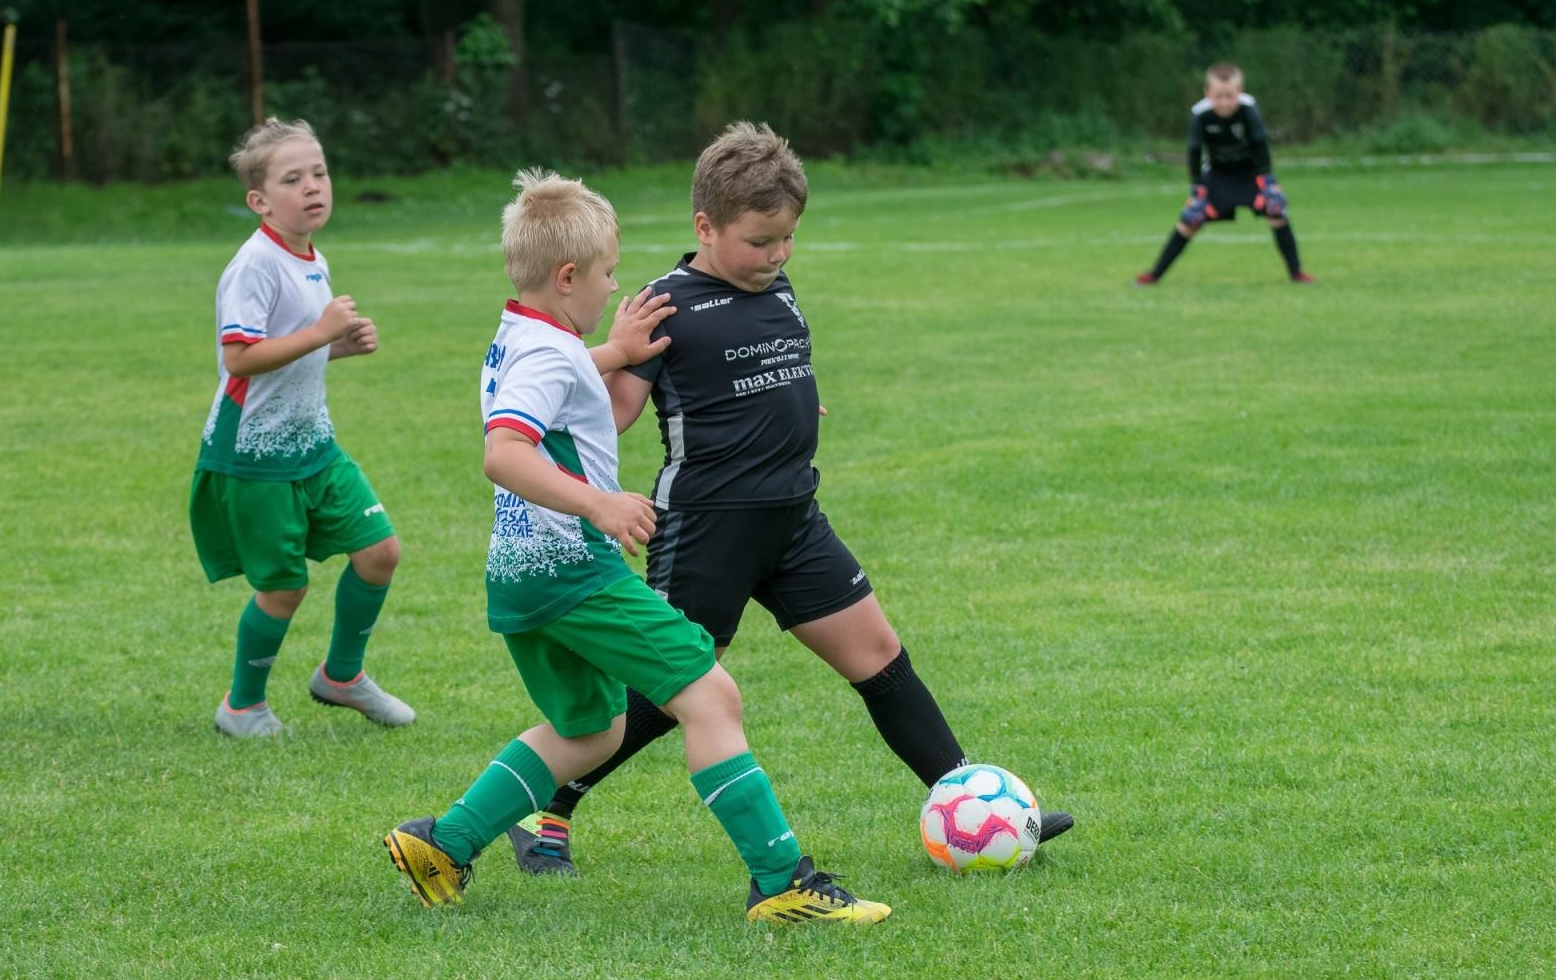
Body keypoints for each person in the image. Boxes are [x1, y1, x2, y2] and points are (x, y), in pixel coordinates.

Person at [504, 122, 1074, 876]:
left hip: (794, 517)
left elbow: (768, 364)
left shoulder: (776, 287)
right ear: (705, 228)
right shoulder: (664, 304)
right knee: (672, 686)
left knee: (879, 657)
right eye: (759, 241)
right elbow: (611, 414)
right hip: (709, 526)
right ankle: (545, 808)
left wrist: (791, 402)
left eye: (787, 239)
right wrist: (609, 354)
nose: (776, 255)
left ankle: (973, 804)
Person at [383, 169, 890, 925]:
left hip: (522, 575)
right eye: (607, 273)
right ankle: (782, 881)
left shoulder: (525, 337)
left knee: (592, 731)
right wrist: (600, 502)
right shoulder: (547, 355)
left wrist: (614, 351)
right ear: (567, 278)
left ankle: (443, 844)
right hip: (572, 572)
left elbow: (556, 379)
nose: (615, 284)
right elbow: (503, 453)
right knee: (711, 696)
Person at [190, 118, 414, 738]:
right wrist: (321, 332)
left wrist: (336, 348)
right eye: (292, 179)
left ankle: (342, 676)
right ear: (258, 201)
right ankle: (242, 707)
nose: (313, 186)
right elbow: (240, 358)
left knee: (380, 551)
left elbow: (287, 352)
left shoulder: (313, 257)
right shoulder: (255, 265)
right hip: (255, 455)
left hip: (314, 444)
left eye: (319, 173)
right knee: (284, 588)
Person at [1136, 62, 1314, 285]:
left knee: (1276, 211)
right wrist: (1197, 189)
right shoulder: (1201, 114)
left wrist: (1268, 181)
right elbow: (1194, 151)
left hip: (1250, 174)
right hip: (1218, 176)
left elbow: (1260, 143)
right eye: (1218, 96)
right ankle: (1154, 275)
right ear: (1207, 93)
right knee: (1190, 220)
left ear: (1240, 91)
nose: (1224, 102)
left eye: (1230, 96)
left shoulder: (1248, 108)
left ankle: (1297, 274)